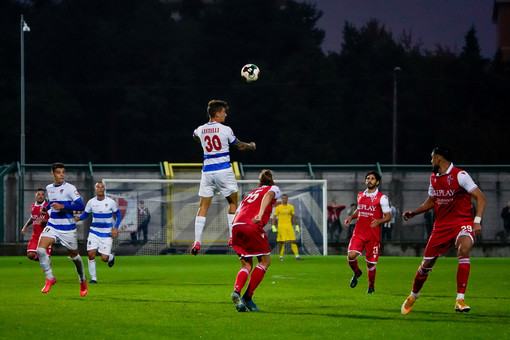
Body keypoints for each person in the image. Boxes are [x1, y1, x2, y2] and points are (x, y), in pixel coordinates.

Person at [401, 147, 486, 314]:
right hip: (441, 227)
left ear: (439, 159)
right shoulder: (434, 178)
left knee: (464, 249)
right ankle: (413, 296)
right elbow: (432, 200)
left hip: (462, 223)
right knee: (426, 266)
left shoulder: (460, 175)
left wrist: (477, 221)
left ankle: (460, 300)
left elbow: (481, 197)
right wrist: (415, 212)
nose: (430, 160)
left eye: (432, 157)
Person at [191, 100, 256, 255]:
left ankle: (197, 241)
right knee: (233, 202)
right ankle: (232, 237)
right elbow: (239, 145)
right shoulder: (225, 129)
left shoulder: (200, 129)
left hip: (207, 172)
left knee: (203, 207)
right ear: (217, 113)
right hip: (223, 170)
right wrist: (251, 146)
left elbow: (194, 136)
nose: (226, 115)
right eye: (224, 112)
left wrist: (203, 142)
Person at [230, 169, 281, 312]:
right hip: (252, 225)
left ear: (259, 183)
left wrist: (231, 235)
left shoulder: (249, 195)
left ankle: (237, 292)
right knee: (265, 261)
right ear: (272, 181)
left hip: (236, 226)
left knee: (246, 264)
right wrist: (260, 213)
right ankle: (248, 297)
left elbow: (238, 212)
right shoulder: (273, 188)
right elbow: (269, 194)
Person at [37, 162, 88, 296]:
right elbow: (51, 201)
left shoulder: (70, 188)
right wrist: (46, 208)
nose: (62, 175)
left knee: (74, 257)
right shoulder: (49, 187)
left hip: (67, 227)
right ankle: (50, 278)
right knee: (40, 250)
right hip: (53, 224)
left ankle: (82, 279)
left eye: (63, 172)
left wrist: (63, 207)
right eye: (59, 172)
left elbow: (81, 206)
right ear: (52, 173)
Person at [344, 171, 391, 294]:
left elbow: (388, 217)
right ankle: (357, 272)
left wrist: (379, 221)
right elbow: (360, 210)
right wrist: (351, 218)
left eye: (372, 179)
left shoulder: (382, 198)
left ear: (377, 182)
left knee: (370, 264)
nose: (369, 180)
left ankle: (371, 287)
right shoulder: (360, 195)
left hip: (373, 235)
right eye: (368, 178)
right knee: (351, 255)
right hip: (359, 232)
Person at [75, 181, 121, 283]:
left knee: (104, 258)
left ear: (104, 189)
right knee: (91, 254)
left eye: (102, 187)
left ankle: (111, 257)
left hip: (107, 233)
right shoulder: (91, 202)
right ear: (95, 190)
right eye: (98, 187)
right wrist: (78, 218)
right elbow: (85, 214)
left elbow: (119, 215)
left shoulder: (111, 202)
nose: (100, 189)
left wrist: (115, 228)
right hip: (94, 232)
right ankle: (94, 278)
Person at [21, 188, 52, 261]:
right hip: (35, 236)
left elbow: (53, 220)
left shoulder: (48, 207)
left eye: (42, 195)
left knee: (45, 257)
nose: (40, 196)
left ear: (44, 196)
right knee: (30, 255)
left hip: (46, 235)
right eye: (38, 194)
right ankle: (43, 260)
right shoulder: (32, 207)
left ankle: (46, 266)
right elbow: (32, 218)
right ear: (35, 196)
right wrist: (25, 226)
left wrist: (43, 220)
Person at [271, 194, 304, 261]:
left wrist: (296, 225)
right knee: (281, 242)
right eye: (283, 198)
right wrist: (273, 225)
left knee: (293, 241)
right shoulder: (278, 207)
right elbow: (274, 217)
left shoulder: (291, 207)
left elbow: (293, 217)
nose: (284, 199)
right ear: (281, 199)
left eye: (285, 198)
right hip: (281, 226)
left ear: (287, 199)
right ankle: (281, 257)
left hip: (289, 226)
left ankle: (297, 256)